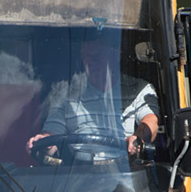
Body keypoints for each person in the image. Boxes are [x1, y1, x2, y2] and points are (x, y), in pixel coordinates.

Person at [27, 32, 159, 165]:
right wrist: (44, 141)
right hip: (80, 175)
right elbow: (53, 133)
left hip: (126, 172)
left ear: (116, 54)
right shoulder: (65, 93)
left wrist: (137, 139)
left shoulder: (139, 89)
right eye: (87, 56)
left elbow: (150, 121)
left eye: (98, 55)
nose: (92, 62)